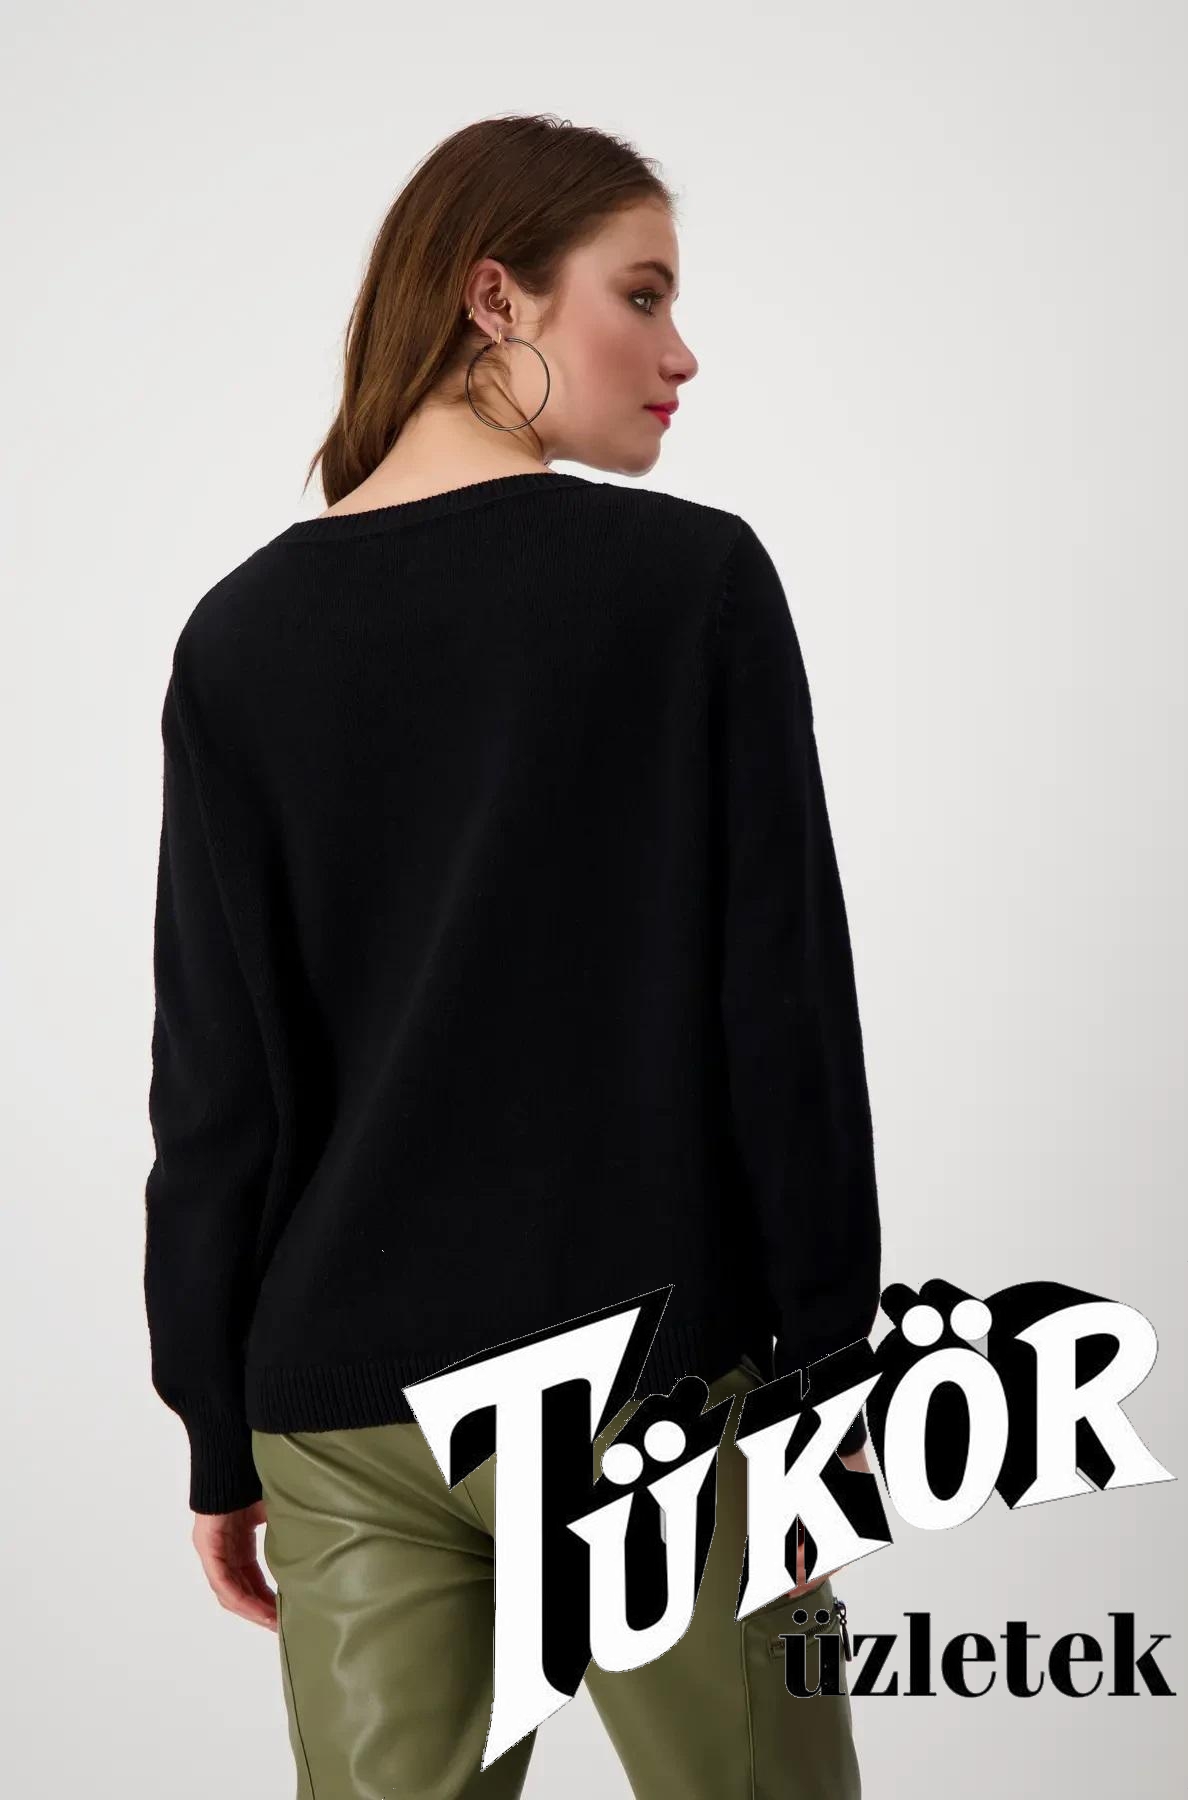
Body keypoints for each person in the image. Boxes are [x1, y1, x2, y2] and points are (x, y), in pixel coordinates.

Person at [143, 111, 882, 1798]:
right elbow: (781, 1018)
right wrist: (833, 1382)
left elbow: (218, 1086)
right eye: (644, 293)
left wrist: (216, 1428)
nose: (682, 353)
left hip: (345, 1424)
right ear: (497, 297)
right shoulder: (689, 585)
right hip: (656, 1403)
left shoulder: (240, 637)